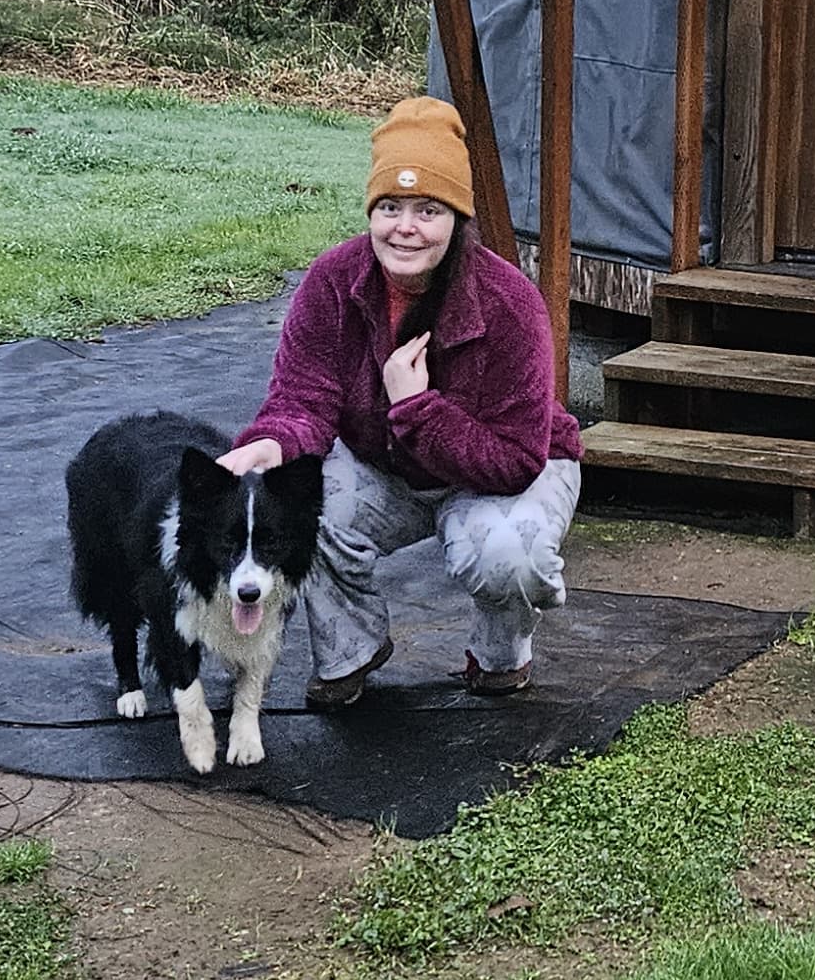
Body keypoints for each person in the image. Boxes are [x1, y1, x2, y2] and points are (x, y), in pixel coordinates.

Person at [218, 97, 582, 704]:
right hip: (386, 469)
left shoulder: (511, 303)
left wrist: (417, 409)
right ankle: (350, 651)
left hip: (498, 477)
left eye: (427, 210)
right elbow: (304, 398)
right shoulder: (333, 281)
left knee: (508, 556)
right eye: (389, 207)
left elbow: (518, 458)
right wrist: (268, 443)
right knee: (302, 500)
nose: (404, 227)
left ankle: (499, 656)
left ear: (457, 219)